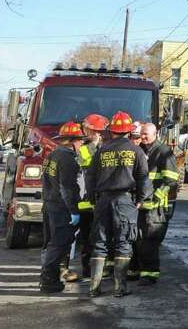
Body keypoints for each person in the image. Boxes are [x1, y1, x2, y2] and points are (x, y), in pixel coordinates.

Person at [85, 111, 149, 297]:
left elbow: (90, 177)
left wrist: (93, 199)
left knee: (100, 243)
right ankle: (120, 288)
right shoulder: (136, 151)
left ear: (111, 131)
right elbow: (143, 178)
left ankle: (94, 288)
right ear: (129, 131)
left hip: (103, 200)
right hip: (124, 201)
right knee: (123, 242)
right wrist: (140, 200)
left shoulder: (101, 151)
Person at [39, 122, 85, 293]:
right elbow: (67, 188)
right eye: (80, 141)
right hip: (61, 207)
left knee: (51, 242)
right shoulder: (68, 159)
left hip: (49, 204)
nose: (81, 145)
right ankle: (49, 280)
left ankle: (48, 277)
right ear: (72, 141)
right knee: (59, 243)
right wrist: (73, 210)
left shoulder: (51, 155)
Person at [64, 113, 108, 282]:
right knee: (87, 238)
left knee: (103, 237)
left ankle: (103, 268)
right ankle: (88, 269)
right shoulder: (84, 148)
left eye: (88, 129)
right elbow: (84, 166)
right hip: (86, 203)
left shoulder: (107, 147)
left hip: (102, 200)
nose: (85, 132)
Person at [133, 122, 179, 284]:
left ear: (155, 134)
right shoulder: (139, 150)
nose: (143, 136)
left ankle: (149, 274)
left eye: (146, 133)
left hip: (156, 207)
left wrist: (156, 198)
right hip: (139, 205)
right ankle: (135, 270)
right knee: (137, 239)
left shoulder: (163, 151)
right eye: (141, 133)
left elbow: (171, 180)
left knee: (150, 241)